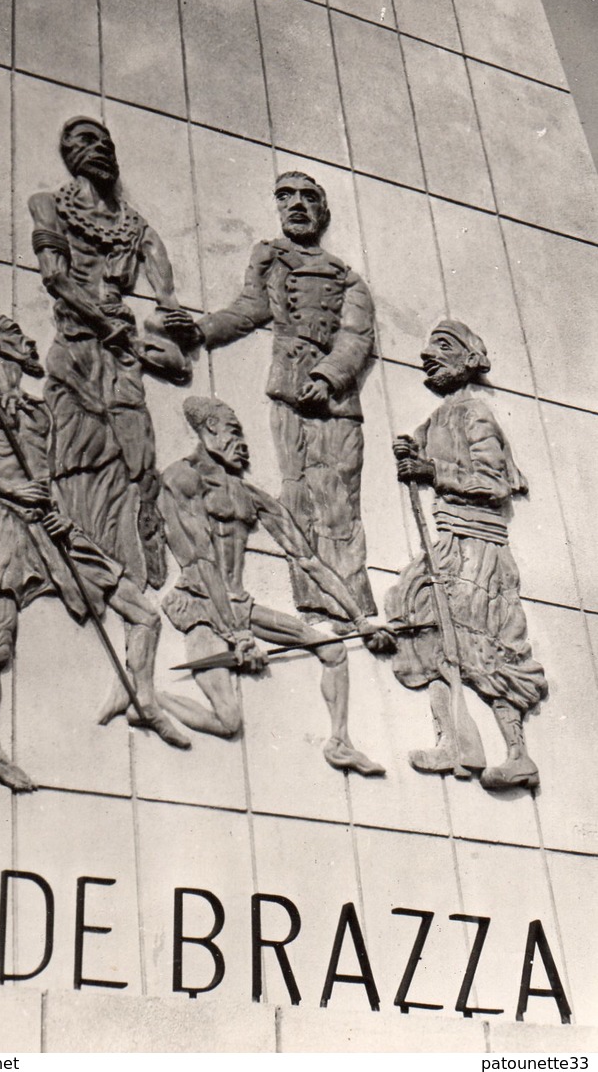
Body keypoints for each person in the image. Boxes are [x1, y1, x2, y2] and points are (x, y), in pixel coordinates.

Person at [0, 311, 190, 792]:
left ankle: (145, 701)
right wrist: (11, 490)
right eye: (12, 333)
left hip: (53, 525)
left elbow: (52, 474)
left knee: (144, 614)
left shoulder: (39, 411)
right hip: (7, 524)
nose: (26, 339)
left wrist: (55, 504)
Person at [156, 396, 395, 774]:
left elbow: (309, 561)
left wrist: (361, 622)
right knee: (228, 720)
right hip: (201, 604)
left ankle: (339, 742)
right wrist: (237, 637)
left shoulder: (249, 495)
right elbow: (199, 561)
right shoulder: (181, 478)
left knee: (332, 651)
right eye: (234, 432)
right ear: (208, 430)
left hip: (239, 606)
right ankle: (148, 699)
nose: (243, 443)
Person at [28, 116, 201, 591]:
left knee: (137, 453)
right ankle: (83, 559)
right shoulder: (48, 205)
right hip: (79, 348)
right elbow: (56, 278)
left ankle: (141, 550)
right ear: (68, 152)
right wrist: (108, 327)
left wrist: (170, 319)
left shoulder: (135, 226)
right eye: (86, 140)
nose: (100, 146)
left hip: (122, 356)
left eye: (106, 140)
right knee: (77, 451)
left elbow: (166, 295)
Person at [199, 171, 376, 625]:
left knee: (338, 500)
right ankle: (316, 601)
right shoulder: (269, 256)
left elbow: (356, 338)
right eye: (285, 196)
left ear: (323, 211)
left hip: (335, 404)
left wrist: (328, 376)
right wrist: (201, 331)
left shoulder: (347, 278)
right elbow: (249, 308)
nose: (296, 204)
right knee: (296, 495)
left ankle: (351, 603)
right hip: (287, 391)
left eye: (308, 197)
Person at [386, 319, 547, 790]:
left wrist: (431, 469)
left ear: (468, 359)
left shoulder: (476, 414)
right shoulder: (439, 417)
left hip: (479, 547)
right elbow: (425, 447)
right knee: (423, 623)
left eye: (442, 347)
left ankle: (519, 755)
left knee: (484, 645)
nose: (427, 356)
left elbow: (494, 482)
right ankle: (458, 742)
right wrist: (411, 448)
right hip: (450, 543)